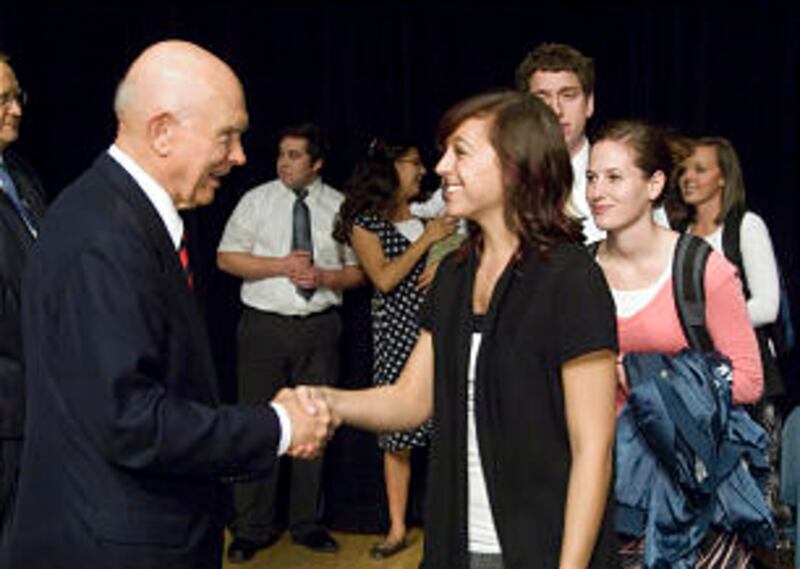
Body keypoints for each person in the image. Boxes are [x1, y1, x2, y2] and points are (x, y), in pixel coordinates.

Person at [4, 41, 332, 569]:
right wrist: (278, 427)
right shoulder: (103, 237)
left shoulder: (116, 214)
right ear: (161, 132)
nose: (239, 156)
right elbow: (130, 422)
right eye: (227, 136)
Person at [308, 91, 620, 568]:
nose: (441, 167)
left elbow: (593, 449)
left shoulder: (571, 279)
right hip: (456, 544)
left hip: (540, 549)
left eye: (461, 152)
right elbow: (409, 401)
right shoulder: (455, 273)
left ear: (514, 165)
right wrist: (325, 402)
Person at [586, 120, 764, 565]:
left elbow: (748, 381)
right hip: (607, 493)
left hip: (692, 497)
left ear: (654, 184)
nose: (596, 192)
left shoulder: (700, 269)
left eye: (614, 178)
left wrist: (644, 374)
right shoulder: (579, 273)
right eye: (591, 177)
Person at [217, 123, 363, 561]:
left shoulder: (339, 205)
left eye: (295, 155)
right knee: (257, 423)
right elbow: (226, 258)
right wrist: (280, 266)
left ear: (317, 162)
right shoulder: (256, 200)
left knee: (316, 422)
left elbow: (358, 271)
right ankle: (251, 527)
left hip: (319, 328)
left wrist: (326, 277)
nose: (284, 162)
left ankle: (306, 523)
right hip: (264, 327)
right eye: (281, 153)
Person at [333, 138, 457, 559]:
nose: (422, 170)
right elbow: (384, 279)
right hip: (397, 335)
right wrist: (427, 242)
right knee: (397, 437)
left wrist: (441, 255)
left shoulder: (430, 216)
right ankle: (397, 527)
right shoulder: (366, 224)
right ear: (388, 169)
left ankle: (447, 522)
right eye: (413, 163)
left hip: (441, 332)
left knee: (447, 430)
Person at [675, 136, 790, 535]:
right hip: (694, 380)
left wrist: (704, 325)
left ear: (723, 178)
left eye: (700, 169)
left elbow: (767, 304)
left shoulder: (745, 226)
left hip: (745, 376)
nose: (688, 178)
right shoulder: (677, 234)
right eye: (684, 170)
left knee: (756, 488)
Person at [515, 42, 669, 242]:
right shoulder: (505, 182)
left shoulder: (632, 179)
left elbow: (662, 253)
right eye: (542, 99)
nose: (556, 110)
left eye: (568, 96)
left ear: (589, 104)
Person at [0, 52, 46, 545]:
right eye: (2, 99)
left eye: (17, 97)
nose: (16, 109)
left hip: (36, 401)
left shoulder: (20, 174)